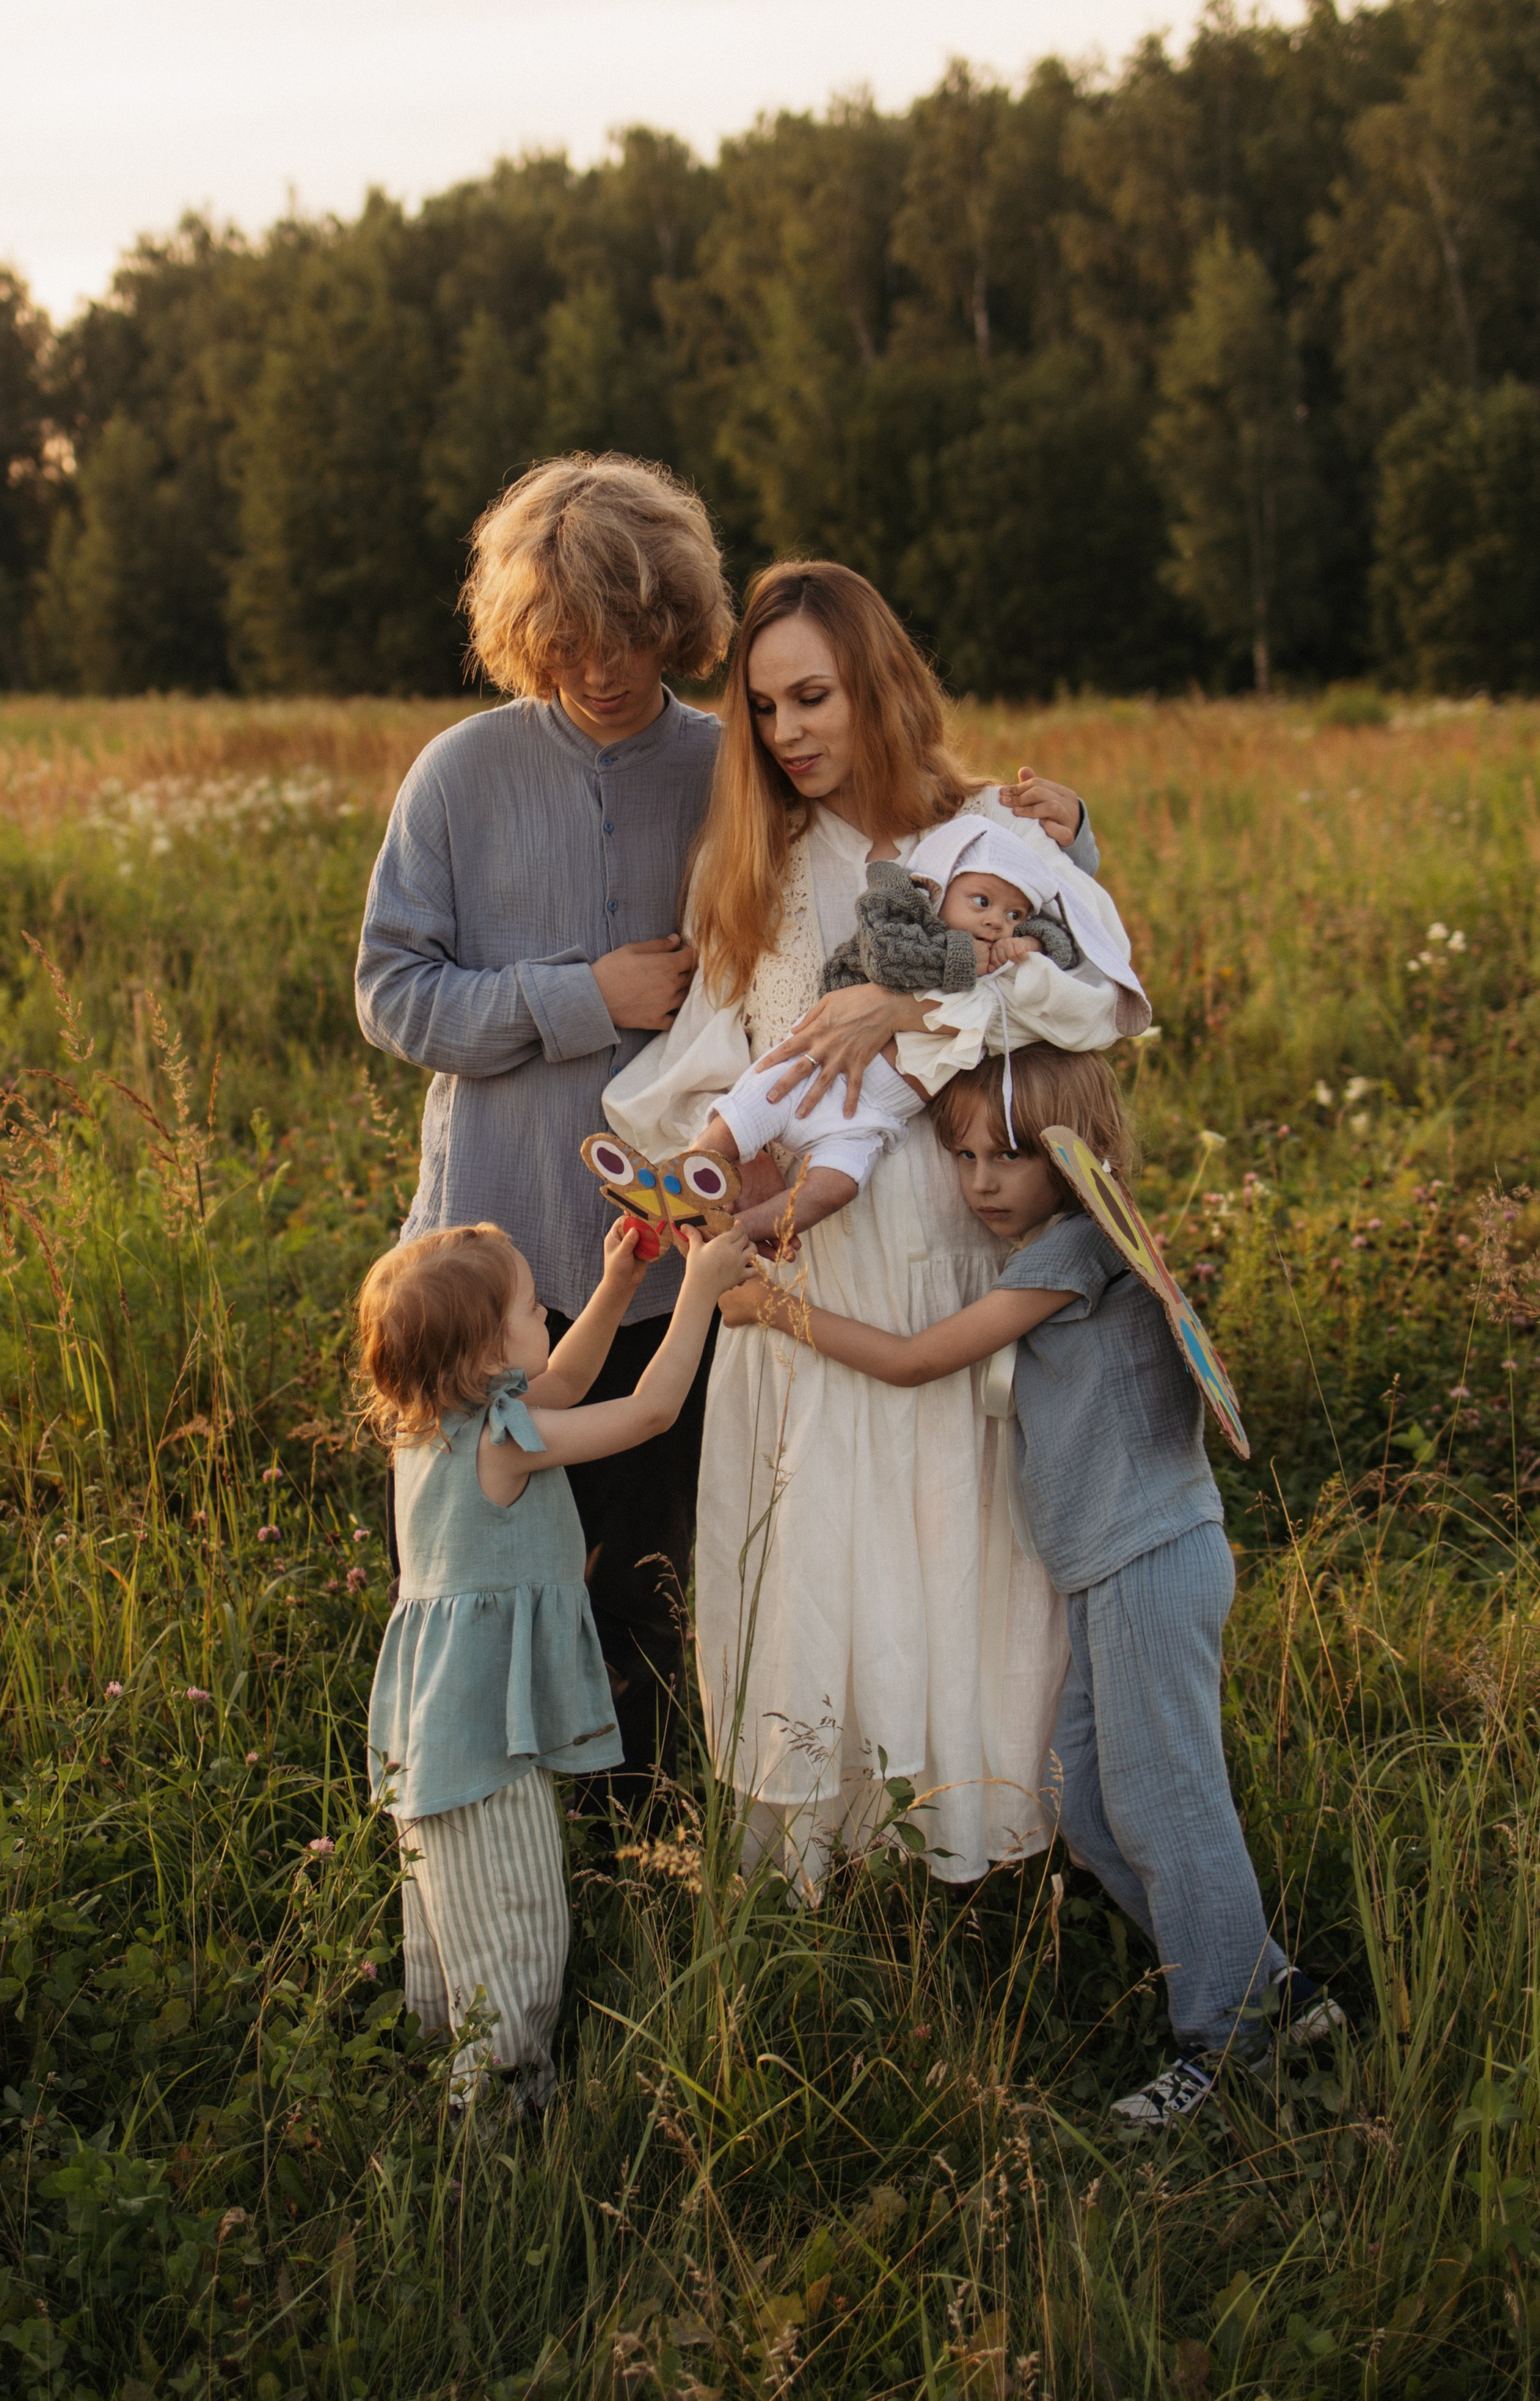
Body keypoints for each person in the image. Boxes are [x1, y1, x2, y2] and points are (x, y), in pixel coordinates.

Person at [602, 558, 1111, 1892]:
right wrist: (706, 1171)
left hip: (941, 1220)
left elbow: (1096, 1000)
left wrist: (916, 1010)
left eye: (814, 697)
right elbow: (729, 1049)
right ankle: (830, 1854)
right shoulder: (755, 856)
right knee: (821, 1528)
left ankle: (979, 1837)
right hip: (806, 1245)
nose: (791, 735)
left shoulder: (984, 839)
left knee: (954, 1526)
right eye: (765, 710)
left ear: (877, 681)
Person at [720, 1043, 1344, 2126]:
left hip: (1148, 1557)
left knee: (1166, 1798)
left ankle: (1230, 2038)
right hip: (1111, 1567)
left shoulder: (1076, 1253)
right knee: (1091, 1798)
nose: (981, 1183)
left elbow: (922, 1359)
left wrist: (782, 1311)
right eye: (961, 1156)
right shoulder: (1061, 1244)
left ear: (1071, 1154)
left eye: (1008, 1156)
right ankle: (1269, 1989)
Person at [354, 455, 734, 1799]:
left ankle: (637, 1851)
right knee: (470, 1579)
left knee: (646, 1594)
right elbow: (391, 995)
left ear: (675, 618)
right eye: (567, 640)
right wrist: (587, 997)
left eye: (629, 636)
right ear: (525, 633)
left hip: (665, 1275)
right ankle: (473, 1835)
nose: (603, 668)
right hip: (488, 1280)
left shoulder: (728, 771)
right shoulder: (460, 773)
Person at [356, 1210, 751, 2112]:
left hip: (439, 1721)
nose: (551, 1320)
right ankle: (500, 2107)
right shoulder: (502, 1442)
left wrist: (617, 1282)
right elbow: (650, 1412)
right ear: (488, 1360)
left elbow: (565, 1378)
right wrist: (696, 1288)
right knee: (515, 1911)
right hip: (486, 1737)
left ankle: (433, 2052)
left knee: (449, 1902)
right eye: (536, 1308)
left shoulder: (434, 1426)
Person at [694, 818, 1143, 1247]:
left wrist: (1032, 943)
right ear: (937, 891)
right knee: (732, 1128)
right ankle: (675, 1187)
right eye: (981, 902)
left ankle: (734, 1232)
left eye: (1013, 915)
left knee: (833, 1190)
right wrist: (972, 957)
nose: (995, 922)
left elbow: (1065, 959)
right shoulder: (905, 931)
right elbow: (892, 958)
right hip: (804, 1076)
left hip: (867, 1120)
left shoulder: (996, 981)